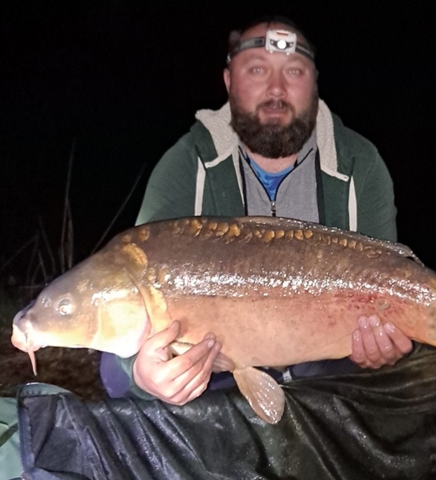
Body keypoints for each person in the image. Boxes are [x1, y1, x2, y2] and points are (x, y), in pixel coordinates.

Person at [99, 15, 415, 404]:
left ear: (315, 84)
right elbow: (137, 295)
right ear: (229, 81)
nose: (276, 88)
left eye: (294, 71)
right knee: (116, 370)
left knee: (397, 368)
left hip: (325, 361)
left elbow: (391, 280)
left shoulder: (360, 164)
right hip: (216, 364)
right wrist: (144, 375)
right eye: (257, 70)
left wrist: (381, 347)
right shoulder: (184, 166)